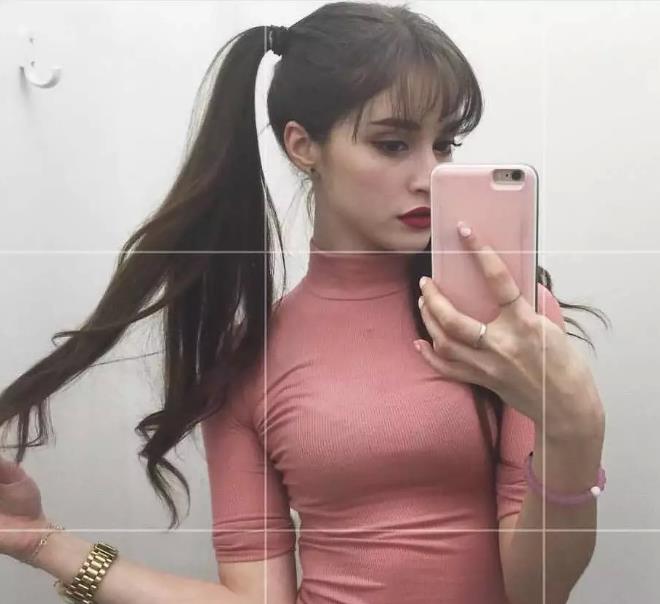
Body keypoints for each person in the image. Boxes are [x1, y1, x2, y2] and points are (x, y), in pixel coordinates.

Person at [0, 2, 607, 603]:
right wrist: (41, 543)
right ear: (302, 145)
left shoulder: (507, 325)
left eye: (444, 144)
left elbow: (539, 590)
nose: (430, 175)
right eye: (393, 144)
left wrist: (574, 425)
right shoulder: (249, 358)